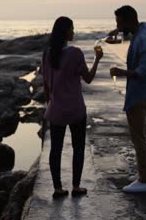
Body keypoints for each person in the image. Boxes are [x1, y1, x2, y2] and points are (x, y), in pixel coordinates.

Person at [39, 16, 103, 198]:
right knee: (78, 148)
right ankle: (76, 186)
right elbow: (88, 78)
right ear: (65, 31)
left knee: (55, 150)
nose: (73, 32)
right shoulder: (75, 53)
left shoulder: (47, 53)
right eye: (72, 29)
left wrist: (48, 105)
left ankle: (57, 188)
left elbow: (45, 84)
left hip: (56, 110)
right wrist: (97, 59)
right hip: (75, 110)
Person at [107, 5, 146, 193]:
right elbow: (127, 32)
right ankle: (143, 176)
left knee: (138, 137)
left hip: (139, 93)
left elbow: (144, 70)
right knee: (138, 136)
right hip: (139, 92)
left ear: (129, 20)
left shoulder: (142, 39)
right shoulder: (141, 31)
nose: (117, 26)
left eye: (119, 23)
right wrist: (118, 31)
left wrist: (121, 72)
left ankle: (144, 180)